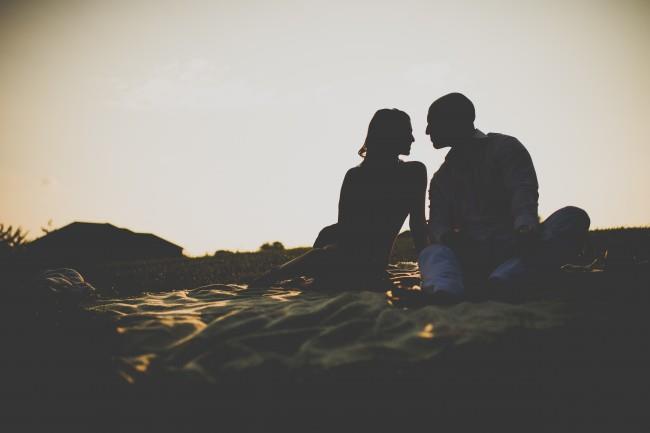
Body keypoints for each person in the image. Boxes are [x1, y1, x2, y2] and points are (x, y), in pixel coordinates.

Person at [417, 92, 590, 301]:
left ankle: (502, 280)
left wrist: (525, 231)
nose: (427, 131)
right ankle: (445, 290)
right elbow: (437, 225)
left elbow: (523, 194)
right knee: (432, 253)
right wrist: (450, 238)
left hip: (517, 246)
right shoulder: (441, 179)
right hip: (471, 254)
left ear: (455, 120)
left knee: (573, 217)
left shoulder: (505, 148)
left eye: (432, 122)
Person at [251, 108, 429, 288]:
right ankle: (295, 275)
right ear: (391, 136)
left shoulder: (405, 172)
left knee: (325, 247)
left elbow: (417, 228)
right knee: (328, 235)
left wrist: (429, 272)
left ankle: (276, 275)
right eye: (408, 133)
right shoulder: (399, 173)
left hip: (366, 265)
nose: (412, 139)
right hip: (353, 261)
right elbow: (348, 232)